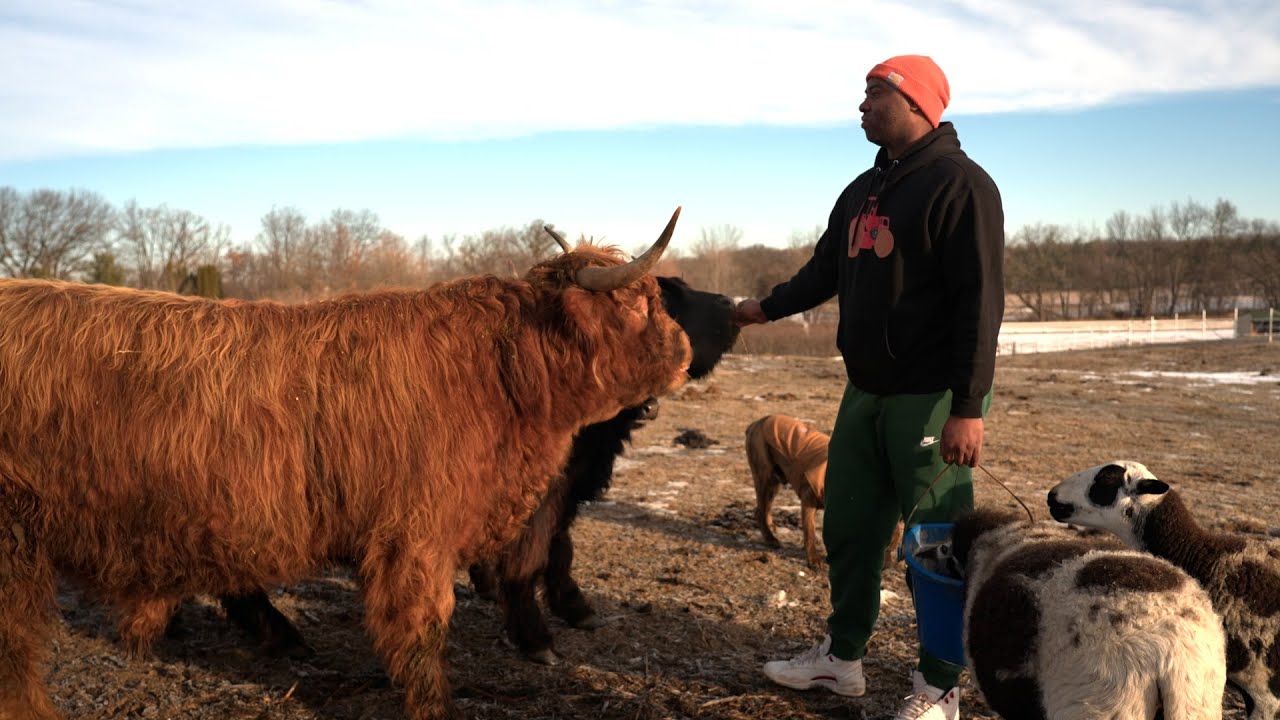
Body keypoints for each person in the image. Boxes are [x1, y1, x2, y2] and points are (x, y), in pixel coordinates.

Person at [734, 54, 1004, 720]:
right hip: (865, 390)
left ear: (913, 101)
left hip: (933, 395)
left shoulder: (962, 186)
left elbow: (981, 301)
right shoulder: (863, 191)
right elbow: (824, 269)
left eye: (873, 95)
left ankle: (939, 688)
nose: (861, 107)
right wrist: (761, 308)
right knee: (851, 527)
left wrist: (967, 408)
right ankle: (840, 659)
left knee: (934, 540)